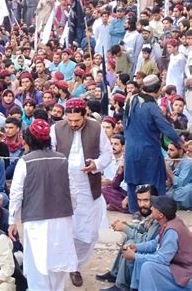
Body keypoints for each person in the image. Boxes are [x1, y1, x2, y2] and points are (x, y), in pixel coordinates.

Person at [9, 119, 77, 290]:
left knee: (37, 267)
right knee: (58, 264)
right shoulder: (62, 159)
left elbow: (16, 194)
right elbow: (73, 191)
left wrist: (12, 220)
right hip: (62, 219)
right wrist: (69, 209)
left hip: (36, 221)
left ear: (28, 139)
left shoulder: (25, 161)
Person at [50, 98, 112, 287]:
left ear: (85, 114)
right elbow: (51, 152)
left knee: (89, 233)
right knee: (65, 230)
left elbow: (107, 154)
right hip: (63, 187)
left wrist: (96, 165)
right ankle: (69, 266)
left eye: (77, 120)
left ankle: (76, 264)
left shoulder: (96, 128)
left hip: (87, 187)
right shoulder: (57, 128)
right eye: (70, 121)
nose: (74, 124)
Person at [124, 75, 181, 213]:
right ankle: (156, 213)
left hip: (131, 150)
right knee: (155, 184)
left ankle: (135, 213)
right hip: (149, 151)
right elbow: (165, 128)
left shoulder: (131, 100)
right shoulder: (151, 106)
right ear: (157, 88)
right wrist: (180, 142)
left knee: (133, 183)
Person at [97, 185, 160, 291]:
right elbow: (141, 228)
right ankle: (115, 273)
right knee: (128, 238)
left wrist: (126, 228)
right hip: (151, 250)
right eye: (139, 200)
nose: (142, 204)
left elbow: (146, 240)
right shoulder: (151, 216)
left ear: (154, 200)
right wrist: (125, 225)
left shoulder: (159, 216)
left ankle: (122, 286)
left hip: (157, 257)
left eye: (146, 200)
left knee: (130, 243)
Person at [123, 196, 192, 291]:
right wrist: (136, 247)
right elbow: (155, 243)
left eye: (154, 208)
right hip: (176, 268)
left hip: (185, 275)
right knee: (141, 259)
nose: (151, 208)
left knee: (148, 267)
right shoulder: (170, 221)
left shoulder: (172, 231)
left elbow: (163, 259)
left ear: (161, 215)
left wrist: (134, 256)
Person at [102, 134, 128, 213]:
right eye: (111, 144)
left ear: (123, 147)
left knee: (103, 191)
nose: (112, 146)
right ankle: (113, 205)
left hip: (123, 191)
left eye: (116, 144)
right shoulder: (106, 158)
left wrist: (110, 182)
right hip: (109, 188)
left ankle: (124, 207)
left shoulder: (126, 161)